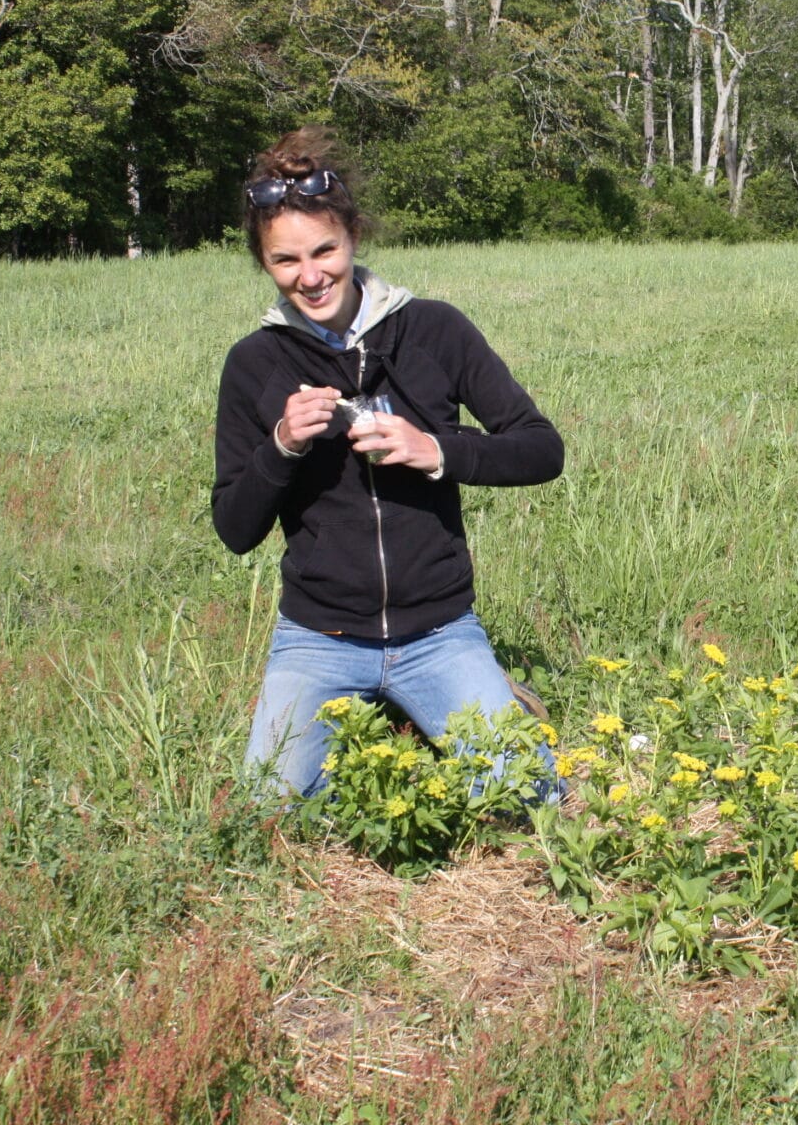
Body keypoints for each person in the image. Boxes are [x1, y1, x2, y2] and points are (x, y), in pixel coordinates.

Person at [212, 127, 565, 798]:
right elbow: (234, 529)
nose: (310, 276)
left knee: (531, 798)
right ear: (264, 264)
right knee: (269, 815)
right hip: (317, 634)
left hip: (439, 629)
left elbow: (542, 448)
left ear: (353, 237)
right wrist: (281, 445)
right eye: (286, 261)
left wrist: (438, 450)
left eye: (324, 250)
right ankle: (399, 714)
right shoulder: (255, 364)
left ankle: (478, 700)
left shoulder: (434, 330)